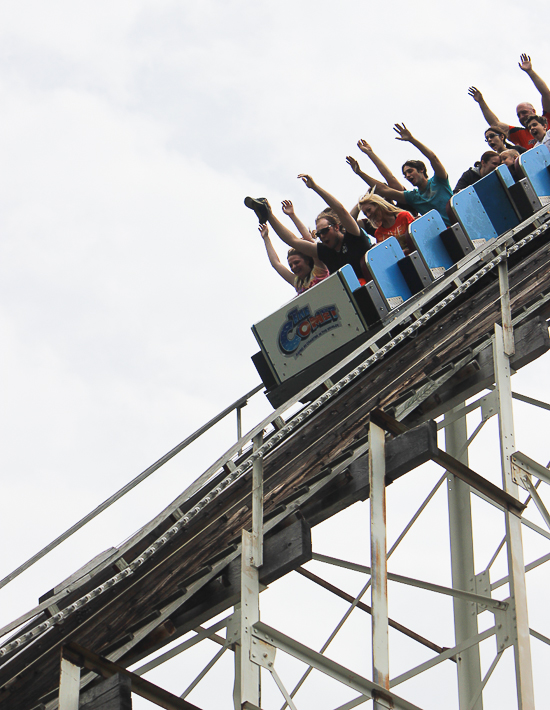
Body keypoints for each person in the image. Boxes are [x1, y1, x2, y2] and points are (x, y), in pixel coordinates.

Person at [250, 177, 371, 282]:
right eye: (319, 234)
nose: (322, 236)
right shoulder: (325, 251)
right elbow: (292, 241)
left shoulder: (353, 236)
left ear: (336, 227)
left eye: (325, 231)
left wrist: (315, 187)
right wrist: (269, 215)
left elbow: (342, 211)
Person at [351, 124, 453, 226]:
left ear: (421, 169)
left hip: (462, 220)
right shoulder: (414, 197)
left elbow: (433, 158)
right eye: (405, 174)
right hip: (447, 233)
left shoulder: (439, 181)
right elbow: (383, 189)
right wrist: (360, 172)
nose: (407, 176)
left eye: (410, 171)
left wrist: (412, 139)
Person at [469, 54, 550, 150]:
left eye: (524, 112)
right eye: (518, 115)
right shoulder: (519, 134)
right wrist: (481, 102)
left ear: (533, 111)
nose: (521, 117)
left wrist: (530, 71)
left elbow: (546, 94)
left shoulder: (546, 119)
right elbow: (495, 124)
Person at [258, 222, 329, 294]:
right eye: (291, 265)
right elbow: (276, 264)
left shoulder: (319, 271)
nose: (294, 267)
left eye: (296, 262)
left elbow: (310, 242)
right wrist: (266, 238)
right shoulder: (298, 283)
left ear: (307, 260)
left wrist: (292, 214)